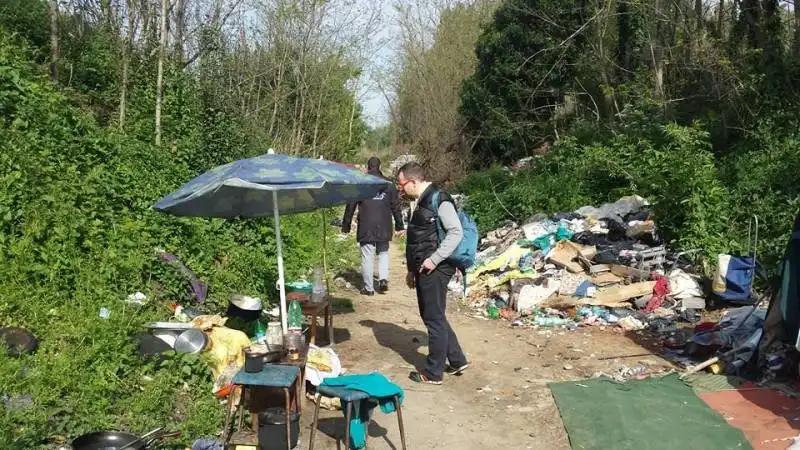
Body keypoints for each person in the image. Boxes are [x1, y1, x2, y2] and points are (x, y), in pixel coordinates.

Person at [396, 162, 468, 385]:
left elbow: (456, 232)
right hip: (423, 267)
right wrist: (411, 270)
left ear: (414, 181)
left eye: (402, 185)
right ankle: (456, 359)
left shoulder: (439, 199)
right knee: (434, 314)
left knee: (433, 319)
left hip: (436, 267)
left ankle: (433, 373)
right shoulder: (419, 201)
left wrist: (433, 260)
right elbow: (416, 239)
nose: (401, 189)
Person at [342, 156, 405, 295]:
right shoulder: (389, 184)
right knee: (383, 253)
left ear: (368, 166)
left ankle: (369, 288)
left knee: (367, 256)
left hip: (366, 225)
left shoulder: (360, 183)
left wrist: (345, 224)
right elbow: (396, 207)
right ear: (379, 166)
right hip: (384, 225)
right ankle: (383, 279)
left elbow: (350, 204)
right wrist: (400, 225)